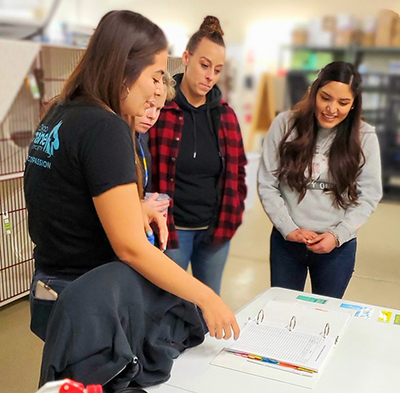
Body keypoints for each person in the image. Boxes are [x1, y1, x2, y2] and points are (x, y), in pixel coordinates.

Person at [24, 10, 239, 343]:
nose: (157, 91)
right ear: (125, 68)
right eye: (154, 76)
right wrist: (206, 297)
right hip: (87, 297)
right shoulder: (105, 127)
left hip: (49, 286)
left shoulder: (61, 111)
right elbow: (131, 248)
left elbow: (67, 199)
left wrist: (134, 207)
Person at [257, 61, 382, 298]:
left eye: (343, 102)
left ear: (354, 104)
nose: (331, 109)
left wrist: (338, 236)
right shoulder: (285, 125)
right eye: (325, 98)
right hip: (287, 243)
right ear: (314, 92)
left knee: (325, 316)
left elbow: (369, 195)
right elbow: (267, 182)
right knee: (282, 311)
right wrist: (288, 228)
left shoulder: (364, 137)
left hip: (337, 248)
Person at [149, 16, 247, 295]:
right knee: (168, 303)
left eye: (217, 70)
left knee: (208, 303)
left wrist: (233, 211)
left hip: (215, 230)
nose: (209, 76)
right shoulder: (161, 110)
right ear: (186, 58)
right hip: (171, 229)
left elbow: (237, 170)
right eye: (204, 65)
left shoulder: (225, 115)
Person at [136, 72, 175, 217]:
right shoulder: (116, 137)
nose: (152, 115)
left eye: (158, 109)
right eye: (149, 105)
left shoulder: (143, 136)